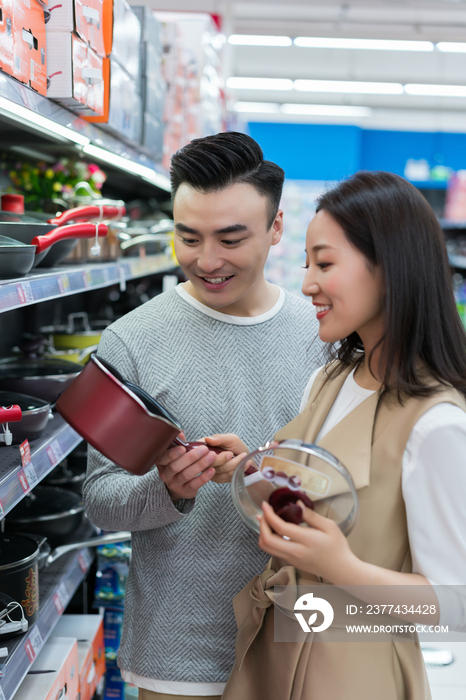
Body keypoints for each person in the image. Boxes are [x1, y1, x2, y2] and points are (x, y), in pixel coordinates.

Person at [187, 171, 466, 699]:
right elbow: (325, 485)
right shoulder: (330, 377)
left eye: (326, 263)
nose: (308, 283)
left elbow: (456, 605)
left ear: (389, 269)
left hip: (356, 676)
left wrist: (342, 567)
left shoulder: (436, 424)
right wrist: (254, 468)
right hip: (276, 649)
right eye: (307, 264)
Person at [82, 131, 323, 700]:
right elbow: (100, 499)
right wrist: (166, 489)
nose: (206, 261)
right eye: (188, 238)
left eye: (231, 239)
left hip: (301, 642)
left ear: (276, 229)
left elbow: (350, 492)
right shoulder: (131, 341)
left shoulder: (323, 337)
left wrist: (260, 475)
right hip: (178, 654)